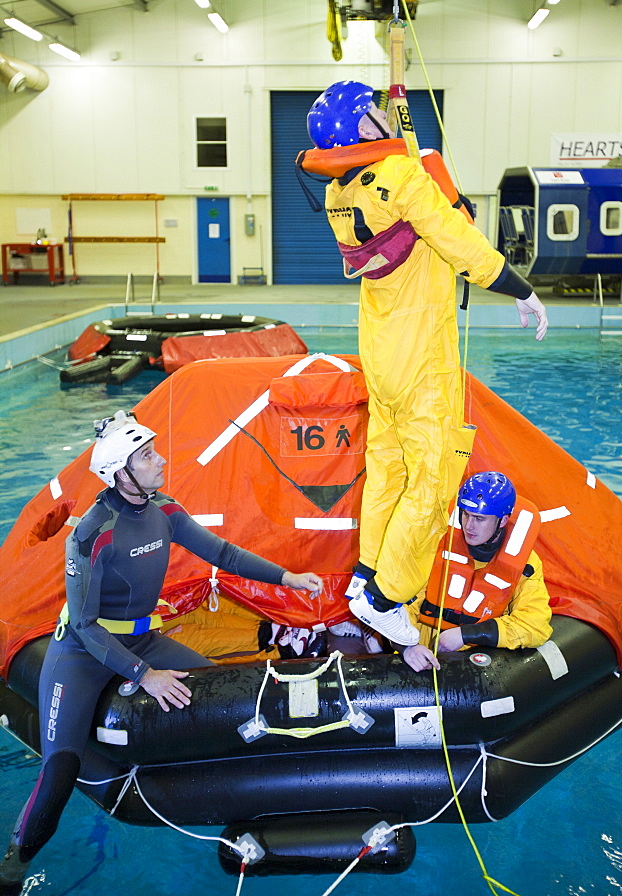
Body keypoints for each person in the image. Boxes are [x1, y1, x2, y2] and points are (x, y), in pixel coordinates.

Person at [0, 410, 323, 895]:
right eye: (148, 456)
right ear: (121, 473)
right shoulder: (89, 534)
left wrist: (287, 577)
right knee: (60, 770)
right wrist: (144, 674)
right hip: (81, 655)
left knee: (225, 695)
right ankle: (12, 866)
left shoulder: (165, 510)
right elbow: (86, 627)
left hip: (140, 637)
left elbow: (225, 555)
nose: (161, 460)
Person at [301, 80, 548, 647]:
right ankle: (388, 597)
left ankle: (366, 577)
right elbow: (458, 241)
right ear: (362, 128)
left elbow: (396, 198)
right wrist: (518, 288)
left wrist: (412, 164)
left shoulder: (343, 196)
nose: (386, 116)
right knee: (435, 485)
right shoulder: (403, 180)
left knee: (387, 472)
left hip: (381, 360)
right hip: (423, 363)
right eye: (376, 111)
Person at [401, 471, 553, 672]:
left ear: (502, 520)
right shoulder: (437, 544)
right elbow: (405, 599)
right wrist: (405, 645)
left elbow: (535, 625)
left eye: (479, 519)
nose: (469, 526)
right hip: (420, 648)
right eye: (465, 514)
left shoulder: (526, 563)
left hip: (475, 661)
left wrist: (465, 634)